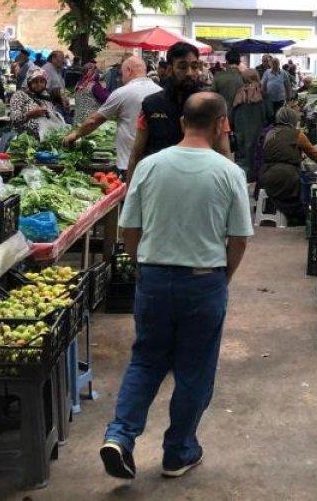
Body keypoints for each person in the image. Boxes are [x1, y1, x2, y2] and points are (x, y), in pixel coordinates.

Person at [101, 93, 252, 482]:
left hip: (153, 277)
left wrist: (142, 264)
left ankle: (120, 436)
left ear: (183, 122)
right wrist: (223, 276)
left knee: (146, 360)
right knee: (194, 370)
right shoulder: (229, 173)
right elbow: (238, 239)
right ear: (222, 125)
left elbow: (128, 229)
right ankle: (177, 452)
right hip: (204, 281)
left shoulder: (150, 166)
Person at [64, 56, 159, 175]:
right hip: (155, 163)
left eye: (121, 74)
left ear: (129, 70)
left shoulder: (122, 92)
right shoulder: (160, 91)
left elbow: (94, 120)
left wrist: (74, 135)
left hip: (128, 163)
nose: (121, 78)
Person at [127, 42, 206, 182]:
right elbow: (136, 153)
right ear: (169, 69)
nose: (189, 73)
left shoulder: (209, 104)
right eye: (182, 67)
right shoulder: (151, 104)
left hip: (198, 181)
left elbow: (223, 151)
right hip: (158, 181)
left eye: (194, 66)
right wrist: (129, 193)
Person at [259, 106, 317, 224]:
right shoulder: (297, 135)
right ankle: (297, 216)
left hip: (266, 175)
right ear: (293, 120)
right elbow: (316, 156)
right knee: (305, 185)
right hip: (288, 178)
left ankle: (274, 210)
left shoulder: (269, 133)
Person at [7, 68, 57, 137]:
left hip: (47, 137)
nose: (39, 84)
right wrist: (30, 115)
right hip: (25, 138)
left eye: (42, 81)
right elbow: (14, 121)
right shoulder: (19, 95)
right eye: (35, 81)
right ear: (29, 83)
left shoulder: (46, 97)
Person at [41, 50, 68, 115]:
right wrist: (60, 98)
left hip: (58, 105)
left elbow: (60, 87)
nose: (63, 60)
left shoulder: (57, 69)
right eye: (61, 57)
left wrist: (64, 100)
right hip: (52, 106)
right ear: (53, 58)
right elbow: (44, 89)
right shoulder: (47, 69)